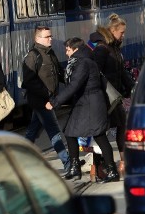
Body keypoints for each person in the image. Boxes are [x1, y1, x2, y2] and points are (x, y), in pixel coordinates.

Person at [47, 37, 119, 183]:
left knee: (99, 136)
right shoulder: (82, 61)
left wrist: (55, 102)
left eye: (68, 50)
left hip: (91, 104)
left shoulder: (83, 63)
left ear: (76, 49)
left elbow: (74, 85)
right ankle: (75, 168)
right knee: (69, 131)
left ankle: (112, 170)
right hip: (86, 102)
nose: (66, 53)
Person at [21, 25, 70, 172]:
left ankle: (19, 159)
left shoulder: (50, 53)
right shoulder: (33, 56)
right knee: (54, 131)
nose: (50, 39)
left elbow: (59, 73)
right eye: (47, 37)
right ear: (37, 38)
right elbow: (28, 81)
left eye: (51, 36)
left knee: (33, 130)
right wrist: (46, 93)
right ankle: (67, 162)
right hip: (41, 101)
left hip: (49, 99)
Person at [91, 15, 135, 165]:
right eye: (121, 32)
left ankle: (122, 161)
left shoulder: (114, 48)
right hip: (105, 96)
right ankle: (101, 164)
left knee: (122, 125)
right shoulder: (102, 49)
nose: (123, 36)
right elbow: (96, 73)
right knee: (101, 131)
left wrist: (132, 87)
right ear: (113, 30)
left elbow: (121, 71)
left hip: (114, 96)